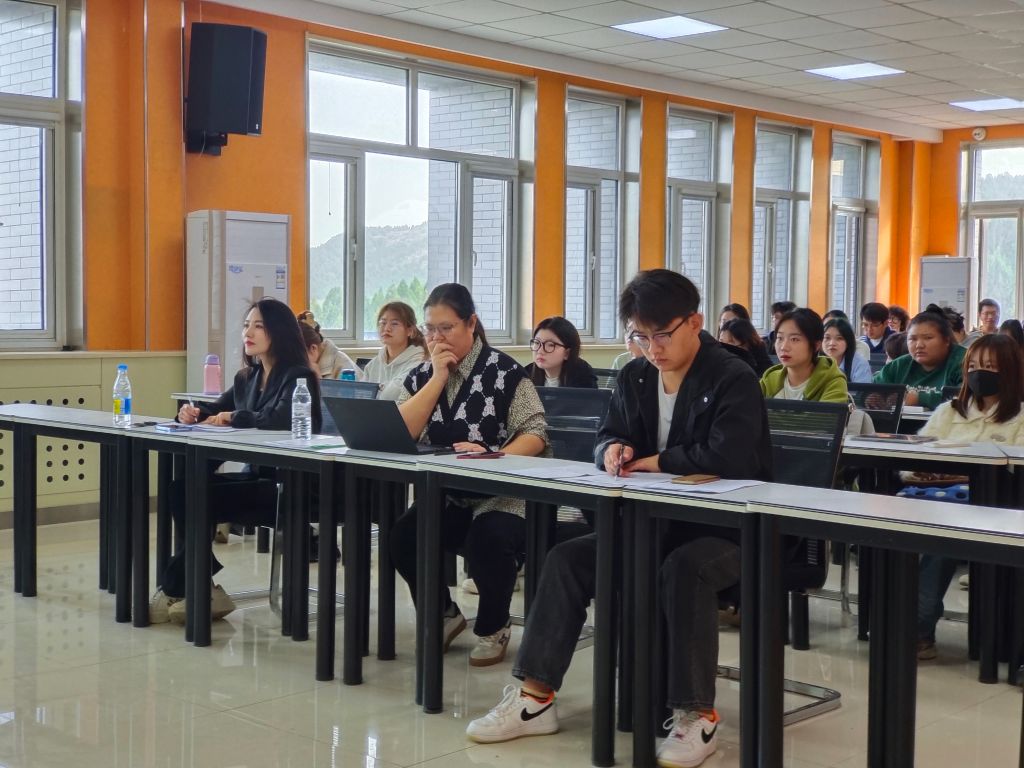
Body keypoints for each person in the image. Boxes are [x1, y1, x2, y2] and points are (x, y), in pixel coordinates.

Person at [466, 270, 771, 768]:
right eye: (640, 336)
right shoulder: (635, 376)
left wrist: (652, 461)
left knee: (685, 568)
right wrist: (613, 450)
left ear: (695, 322)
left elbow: (730, 455)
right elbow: (607, 435)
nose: (652, 348)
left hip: (728, 531)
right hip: (650, 525)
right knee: (566, 559)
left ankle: (696, 714)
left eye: (661, 335)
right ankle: (535, 698)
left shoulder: (732, 376)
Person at [389, 284, 548, 667]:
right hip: (448, 492)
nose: (436, 338)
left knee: (487, 539)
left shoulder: (505, 372)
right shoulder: (422, 375)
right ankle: (444, 615)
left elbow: (536, 433)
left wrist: (495, 455)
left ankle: (495, 625)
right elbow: (402, 432)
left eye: (446, 328)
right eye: (430, 329)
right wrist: (437, 379)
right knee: (404, 537)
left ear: (471, 324)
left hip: (504, 492)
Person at [150, 298, 323, 624]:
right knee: (183, 489)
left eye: (259, 326)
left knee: (193, 493)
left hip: (289, 486)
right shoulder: (248, 377)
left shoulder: (298, 376)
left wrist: (234, 416)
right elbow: (216, 409)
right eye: (246, 325)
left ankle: (178, 586)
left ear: (279, 332)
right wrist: (191, 413)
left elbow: (279, 418)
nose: (248, 333)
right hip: (259, 481)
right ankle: (203, 585)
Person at [912, 334, 1024, 660]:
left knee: (940, 535)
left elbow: (1015, 474)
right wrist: (927, 473)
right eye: (973, 366)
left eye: (989, 367)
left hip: (994, 508)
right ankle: (894, 621)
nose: (979, 373)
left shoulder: (1020, 417)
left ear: (1010, 371)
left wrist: (963, 475)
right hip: (932, 499)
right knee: (894, 530)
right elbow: (917, 458)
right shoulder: (949, 412)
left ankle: (918, 628)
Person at [873, 305, 966, 409]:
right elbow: (867, 391)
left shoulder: (965, 361)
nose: (919, 345)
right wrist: (871, 398)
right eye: (912, 339)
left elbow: (967, 397)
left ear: (946, 340)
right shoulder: (900, 365)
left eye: (928, 338)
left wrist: (920, 399)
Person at [760, 308, 848, 402]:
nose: (784, 347)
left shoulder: (832, 381)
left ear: (816, 345)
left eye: (794, 339)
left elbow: (828, 412)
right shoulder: (769, 380)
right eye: (780, 338)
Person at [363, 301, 428, 400]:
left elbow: (390, 396)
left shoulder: (419, 362)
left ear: (410, 331)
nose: (387, 328)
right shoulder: (372, 365)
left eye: (394, 324)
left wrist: (377, 390)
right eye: (383, 323)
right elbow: (361, 397)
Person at [524, 316, 597, 388]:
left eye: (550, 345)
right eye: (537, 343)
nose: (540, 351)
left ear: (567, 353)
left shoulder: (584, 378)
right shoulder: (526, 374)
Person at [297, 311, 362, 379]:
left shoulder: (343, 365)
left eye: (299, 355)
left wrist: (318, 379)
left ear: (313, 348)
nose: (296, 361)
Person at [823, 317, 872, 384]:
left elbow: (862, 390)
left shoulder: (859, 364)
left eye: (839, 338)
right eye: (827, 338)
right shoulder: (814, 362)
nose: (832, 343)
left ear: (848, 341)